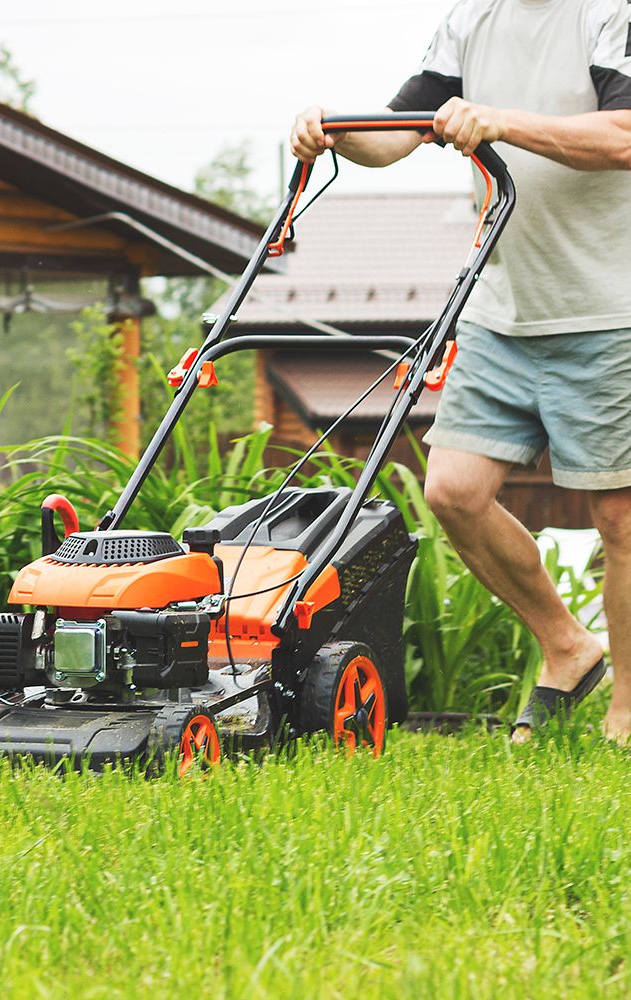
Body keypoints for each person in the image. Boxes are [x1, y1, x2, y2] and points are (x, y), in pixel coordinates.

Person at [290, 0, 631, 743]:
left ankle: (626, 710)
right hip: (500, 309)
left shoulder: (607, 13)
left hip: (608, 308)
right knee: (452, 491)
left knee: (618, 519)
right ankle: (567, 647)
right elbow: (401, 133)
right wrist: (336, 131)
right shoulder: (469, 21)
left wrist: (500, 120)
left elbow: (623, 135)